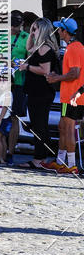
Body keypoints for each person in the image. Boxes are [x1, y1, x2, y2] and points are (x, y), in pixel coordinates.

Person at [41, 17, 84, 174]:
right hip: (71, 96)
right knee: (62, 127)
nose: (58, 31)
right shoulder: (74, 47)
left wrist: (56, 78)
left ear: (65, 31)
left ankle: (71, 165)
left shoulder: (73, 48)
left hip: (72, 97)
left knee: (68, 129)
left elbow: (75, 73)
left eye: (59, 29)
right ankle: (60, 162)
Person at [17, 18, 58, 170]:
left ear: (43, 30)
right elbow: (29, 49)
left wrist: (27, 67)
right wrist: (31, 34)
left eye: (35, 29)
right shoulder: (39, 46)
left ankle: (39, 158)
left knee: (39, 126)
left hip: (41, 92)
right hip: (37, 91)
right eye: (31, 29)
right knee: (38, 125)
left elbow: (45, 71)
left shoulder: (44, 48)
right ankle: (41, 156)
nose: (32, 32)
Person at [7, 11, 30, 164]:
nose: (13, 28)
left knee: (14, 118)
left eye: (16, 25)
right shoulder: (1, 36)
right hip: (2, 82)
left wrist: (21, 65)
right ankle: (1, 150)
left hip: (19, 83)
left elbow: (31, 61)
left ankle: (10, 152)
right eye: (11, 25)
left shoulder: (27, 38)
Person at [0, 89, 12, 165]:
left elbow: (5, 107)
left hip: (4, 119)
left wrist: (0, 119)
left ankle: (0, 158)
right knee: (2, 138)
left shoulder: (8, 94)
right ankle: (2, 158)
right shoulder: (3, 93)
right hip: (1, 119)